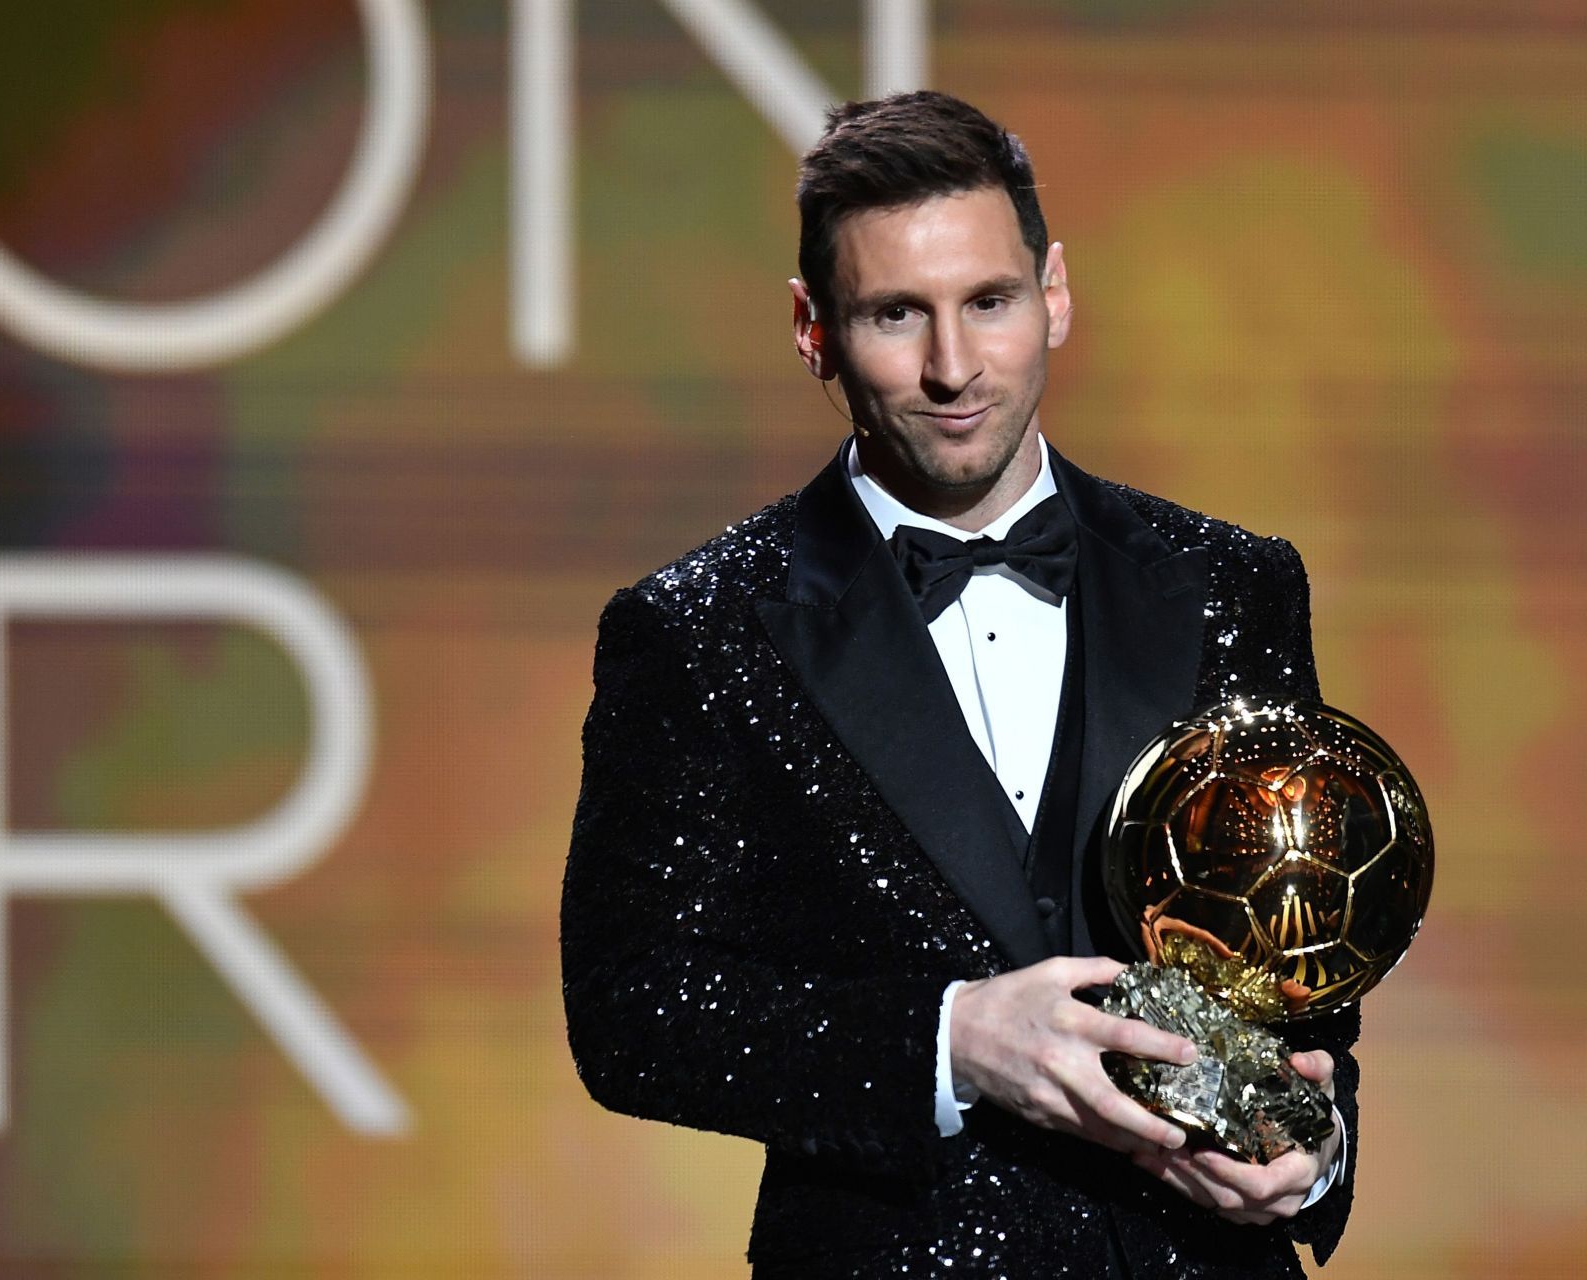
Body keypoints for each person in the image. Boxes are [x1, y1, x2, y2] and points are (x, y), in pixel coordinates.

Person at [560, 91, 1359, 1278]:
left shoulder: (1232, 583)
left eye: (988, 301)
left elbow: (1306, 955)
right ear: (811, 327)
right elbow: (636, 1012)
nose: (952, 366)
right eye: (896, 313)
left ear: (1056, 294)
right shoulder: (693, 629)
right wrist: (951, 1039)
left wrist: (1318, 1146)